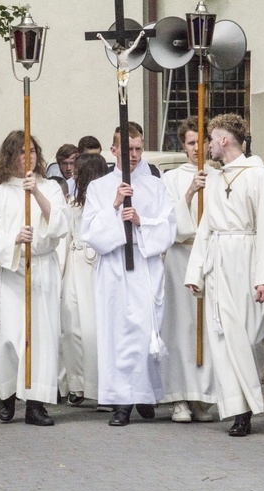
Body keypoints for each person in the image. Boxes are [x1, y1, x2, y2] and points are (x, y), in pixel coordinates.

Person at [185, 114, 264, 436]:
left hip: (247, 260)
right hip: (219, 262)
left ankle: (246, 403)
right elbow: (206, 228)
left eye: (211, 140)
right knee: (222, 336)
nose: (208, 147)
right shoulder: (215, 180)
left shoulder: (258, 176)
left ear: (225, 140)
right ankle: (236, 409)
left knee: (248, 337)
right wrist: (196, 271)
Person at [83, 124, 176, 427]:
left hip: (145, 265)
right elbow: (91, 234)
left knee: (146, 331)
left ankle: (144, 394)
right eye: (128, 150)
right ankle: (121, 401)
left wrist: (140, 221)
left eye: (138, 149)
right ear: (114, 151)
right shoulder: (99, 187)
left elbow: (168, 228)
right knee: (118, 334)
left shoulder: (155, 186)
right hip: (114, 267)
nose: (134, 155)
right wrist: (113, 208)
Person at [0, 131, 69, 426]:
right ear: (9, 156)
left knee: (41, 339)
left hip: (42, 269)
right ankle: (6, 394)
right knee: (10, 338)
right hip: (12, 271)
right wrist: (15, 238)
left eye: (32, 151)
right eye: (21, 152)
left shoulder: (50, 187)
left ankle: (36, 403)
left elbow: (61, 223)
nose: (28, 156)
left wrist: (37, 193)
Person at [161, 117, 217, 423]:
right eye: (191, 143)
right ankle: (178, 397)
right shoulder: (171, 178)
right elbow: (167, 219)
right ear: (183, 146)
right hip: (181, 257)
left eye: (202, 142)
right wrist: (190, 193)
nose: (197, 148)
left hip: (208, 256)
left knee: (206, 328)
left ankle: (202, 397)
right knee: (180, 326)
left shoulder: (220, 174)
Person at [60, 153, 108, 408]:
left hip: (94, 266)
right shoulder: (74, 205)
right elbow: (66, 236)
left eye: (78, 172)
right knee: (71, 327)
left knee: (94, 328)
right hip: (74, 265)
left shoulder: (106, 204)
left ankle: (101, 387)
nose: (74, 176)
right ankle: (76, 384)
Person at [96, 30, 146, 106]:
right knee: (120, 85)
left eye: (116, 50)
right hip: (120, 70)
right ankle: (122, 99)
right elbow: (108, 46)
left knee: (124, 85)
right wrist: (101, 37)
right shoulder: (116, 53)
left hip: (126, 70)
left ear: (119, 48)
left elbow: (134, 45)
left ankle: (124, 98)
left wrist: (140, 35)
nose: (116, 52)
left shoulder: (126, 52)